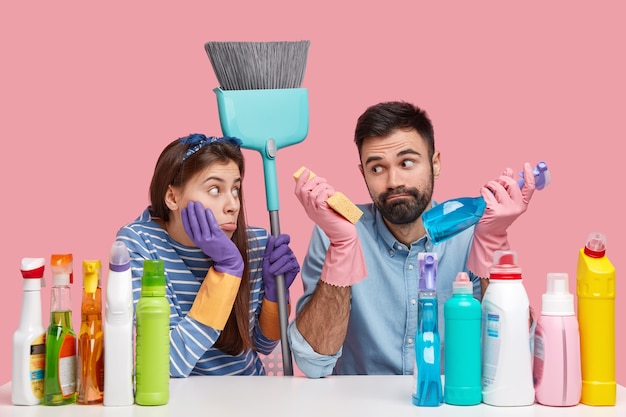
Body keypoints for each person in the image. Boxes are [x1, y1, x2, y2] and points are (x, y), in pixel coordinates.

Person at [289, 101, 536, 378]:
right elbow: (312, 363)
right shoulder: (336, 232)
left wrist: (493, 244)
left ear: (435, 164)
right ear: (363, 175)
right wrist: (342, 248)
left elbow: (516, 356)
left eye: (407, 162)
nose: (393, 181)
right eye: (377, 168)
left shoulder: (473, 235)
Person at [116, 133, 300, 376]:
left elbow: (263, 345)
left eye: (235, 189)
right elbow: (163, 365)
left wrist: (275, 297)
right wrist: (227, 269)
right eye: (214, 189)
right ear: (172, 197)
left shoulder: (254, 243)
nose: (232, 205)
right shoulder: (140, 244)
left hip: (249, 396)